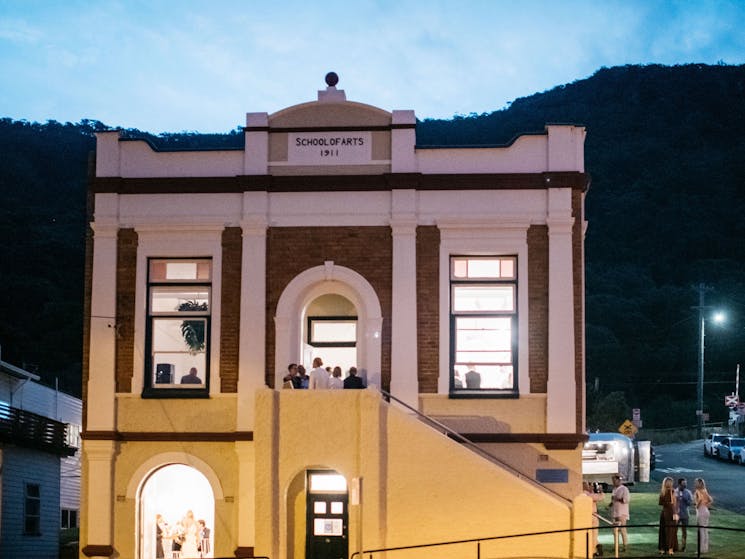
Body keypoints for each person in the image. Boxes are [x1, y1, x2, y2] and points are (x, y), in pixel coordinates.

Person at [583, 481, 604, 557]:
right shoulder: (586, 494)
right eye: (590, 485)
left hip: (588, 515)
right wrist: (601, 491)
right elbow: (601, 497)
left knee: (591, 535)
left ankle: (596, 547)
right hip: (592, 515)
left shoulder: (586, 493)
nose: (591, 487)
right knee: (594, 534)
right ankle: (594, 550)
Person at [609, 474, 630, 552]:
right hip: (615, 512)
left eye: (614, 480)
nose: (613, 482)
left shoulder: (624, 489)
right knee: (614, 531)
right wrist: (609, 506)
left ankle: (625, 546)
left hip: (622, 513)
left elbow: (626, 500)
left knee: (622, 529)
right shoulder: (614, 489)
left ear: (618, 480)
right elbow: (613, 500)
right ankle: (616, 546)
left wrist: (617, 498)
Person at [658, 476, 678, 555]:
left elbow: (660, 503)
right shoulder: (672, 491)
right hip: (670, 513)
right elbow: (673, 504)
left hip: (664, 513)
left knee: (663, 530)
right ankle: (670, 549)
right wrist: (675, 513)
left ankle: (662, 549)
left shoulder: (662, 492)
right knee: (671, 531)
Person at [694, 478, 713, 554]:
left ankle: (701, 549)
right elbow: (711, 500)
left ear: (699, 483)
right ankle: (705, 549)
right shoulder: (705, 490)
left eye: (696, 483)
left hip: (701, 511)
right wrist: (706, 505)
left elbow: (700, 499)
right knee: (705, 530)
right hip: (706, 510)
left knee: (701, 530)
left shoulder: (698, 491)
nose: (695, 484)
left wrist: (697, 506)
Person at [675, 477, 693, 551]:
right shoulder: (675, 491)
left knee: (684, 531)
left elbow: (690, 503)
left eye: (686, 484)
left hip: (685, 514)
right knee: (674, 530)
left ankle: (683, 546)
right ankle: (674, 545)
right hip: (677, 514)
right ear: (679, 484)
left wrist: (686, 499)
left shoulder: (688, 492)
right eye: (683, 484)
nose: (685, 485)